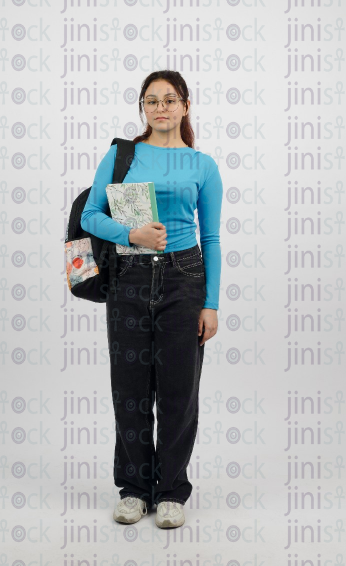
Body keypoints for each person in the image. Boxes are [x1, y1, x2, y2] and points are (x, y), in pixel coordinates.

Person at [81, 70, 223, 529]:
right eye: (150, 100)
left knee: (180, 392)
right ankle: (135, 489)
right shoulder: (123, 155)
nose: (160, 107)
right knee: (130, 388)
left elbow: (213, 237)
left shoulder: (203, 165)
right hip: (130, 277)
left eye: (169, 99)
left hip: (185, 278)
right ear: (143, 109)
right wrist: (131, 233)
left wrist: (211, 303)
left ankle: (171, 490)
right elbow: (90, 215)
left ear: (185, 105)